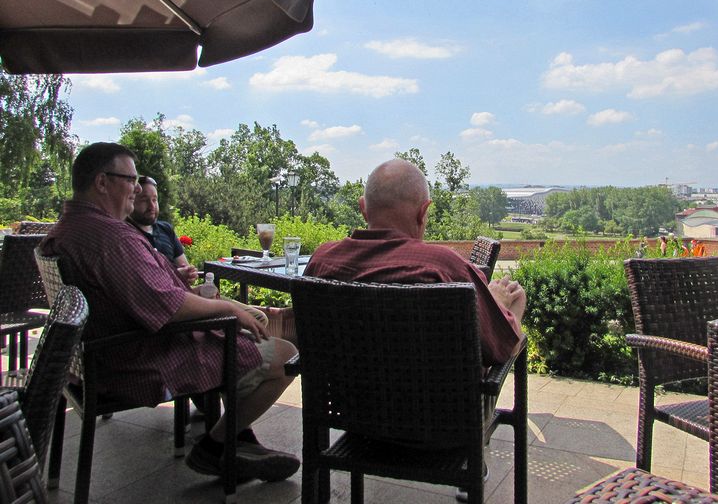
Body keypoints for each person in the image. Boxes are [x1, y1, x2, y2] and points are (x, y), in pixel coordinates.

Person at [39, 143, 299, 482]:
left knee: (233, 335)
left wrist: (172, 280)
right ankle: (216, 446)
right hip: (139, 360)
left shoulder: (68, 229)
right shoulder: (110, 236)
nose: (136, 188)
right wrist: (230, 307)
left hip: (98, 357)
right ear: (102, 182)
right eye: (130, 179)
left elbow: (133, 288)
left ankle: (239, 440)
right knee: (283, 354)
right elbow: (169, 307)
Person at [305, 158, 524, 368]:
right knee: (516, 296)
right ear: (423, 212)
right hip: (438, 404)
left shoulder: (323, 260)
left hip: (343, 401)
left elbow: (303, 333)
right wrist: (499, 304)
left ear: (363, 208)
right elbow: (502, 347)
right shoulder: (443, 267)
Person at [128, 176, 198, 286]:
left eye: (154, 200)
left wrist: (190, 274)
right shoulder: (127, 234)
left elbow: (185, 268)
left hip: (182, 294)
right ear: (131, 201)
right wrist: (177, 275)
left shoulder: (166, 229)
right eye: (144, 200)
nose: (152, 206)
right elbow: (139, 282)